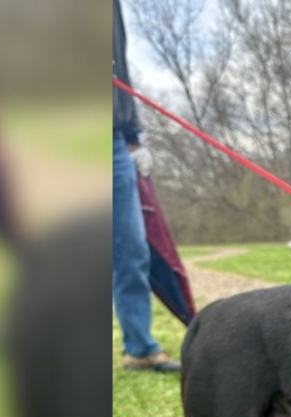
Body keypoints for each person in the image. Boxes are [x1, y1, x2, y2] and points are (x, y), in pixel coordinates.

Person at [113, 0, 179, 372]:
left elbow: (116, 63)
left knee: (131, 250)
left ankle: (139, 348)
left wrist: (133, 135)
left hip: (114, 141)